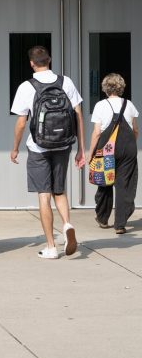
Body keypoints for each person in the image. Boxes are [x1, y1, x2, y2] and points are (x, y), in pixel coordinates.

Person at [10, 46, 85, 259]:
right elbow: (78, 114)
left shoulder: (27, 86)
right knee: (59, 192)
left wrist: (15, 148)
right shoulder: (66, 82)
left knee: (44, 196)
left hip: (38, 148)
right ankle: (67, 225)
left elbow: (21, 123)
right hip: (63, 145)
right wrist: (81, 148)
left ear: (31, 63)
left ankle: (51, 247)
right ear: (49, 60)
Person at [88, 73, 139, 234]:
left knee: (105, 180)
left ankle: (103, 218)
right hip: (127, 147)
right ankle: (120, 224)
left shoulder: (100, 105)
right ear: (121, 87)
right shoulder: (128, 104)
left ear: (105, 88)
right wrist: (130, 144)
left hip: (106, 148)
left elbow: (96, 133)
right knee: (125, 183)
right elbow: (135, 129)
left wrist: (91, 153)